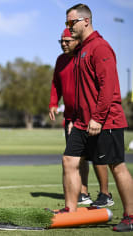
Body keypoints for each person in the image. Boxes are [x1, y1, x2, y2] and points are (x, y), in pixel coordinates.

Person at [62, 4, 133, 232]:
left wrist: (99, 118)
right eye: (66, 23)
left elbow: (108, 86)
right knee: (69, 161)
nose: (68, 27)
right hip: (82, 122)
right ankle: (70, 212)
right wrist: (74, 117)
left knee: (116, 166)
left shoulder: (100, 48)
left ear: (85, 21)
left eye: (71, 22)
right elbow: (81, 90)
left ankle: (131, 216)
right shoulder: (82, 50)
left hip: (106, 121)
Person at [49, 28, 113, 207]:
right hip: (72, 117)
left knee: (97, 156)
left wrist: (94, 116)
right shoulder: (61, 60)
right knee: (78, 156)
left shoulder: (83, 58)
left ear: (77, 40)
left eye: (67, 41)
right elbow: (56, 83)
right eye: (61, 41)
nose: (63, 44)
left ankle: (105, 193)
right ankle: (83, 192)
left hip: (91, 117)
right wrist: (53, 103)